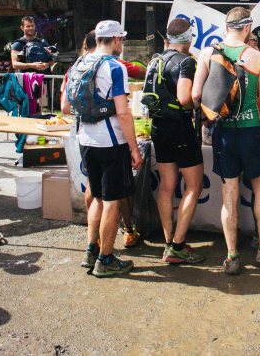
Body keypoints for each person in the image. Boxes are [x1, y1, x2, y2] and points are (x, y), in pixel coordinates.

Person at [193, 8, 260, 274]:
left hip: (224, 131)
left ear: (227, 26)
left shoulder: (208, 54)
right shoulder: (256, 57)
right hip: (252, 130)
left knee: (229, 193)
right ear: (248, 27)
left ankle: (232, 256)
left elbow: (196, 94)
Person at [69, 21, 142, 277]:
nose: (121, 43)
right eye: (121, 39)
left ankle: (91, 249)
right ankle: (106, 258)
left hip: (86, 138)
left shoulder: (79, 63)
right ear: (115, 40)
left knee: (98, 197)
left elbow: (69, 105)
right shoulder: (114, 67)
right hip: (111, 141)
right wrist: (134, 148)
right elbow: (123, 112)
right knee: (112, 200)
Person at [150, 18, 206, 265]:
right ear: (189, 38)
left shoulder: (156, 60)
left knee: (166, 185)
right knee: (194, 186)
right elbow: (184, 98)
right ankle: (178, 246)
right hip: (180, 129)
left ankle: (168, 239)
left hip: (158, 127)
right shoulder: (186, 62)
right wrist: (201, 106)